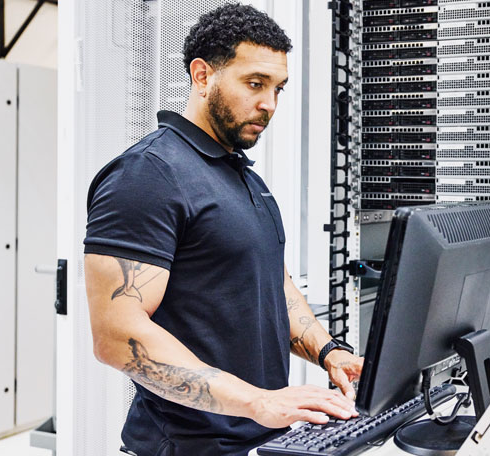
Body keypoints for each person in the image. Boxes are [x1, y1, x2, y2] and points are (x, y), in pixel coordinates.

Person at [82, 4, 363, 455]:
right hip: (187, 446)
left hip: (262, 439)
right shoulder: (148, 174)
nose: (269, 104)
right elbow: (117, 336)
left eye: (277, 88)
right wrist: (257, 402)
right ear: (202, 75)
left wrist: (330, 352)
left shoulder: (244, 177)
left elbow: (274, 285)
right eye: (255, 83)